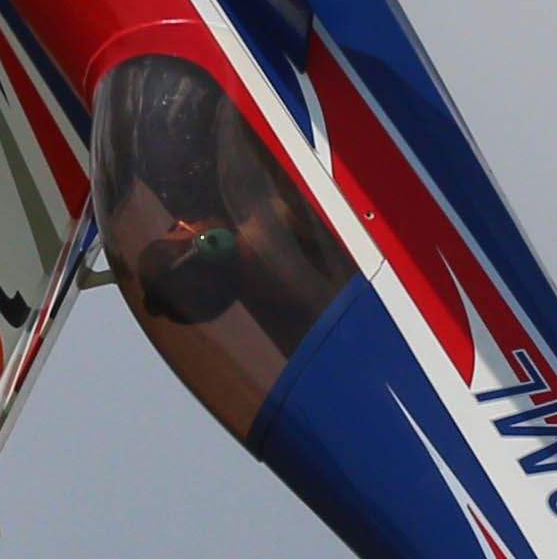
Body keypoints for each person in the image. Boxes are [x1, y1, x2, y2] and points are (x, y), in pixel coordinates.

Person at [88, 48, 357, 439]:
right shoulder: (267, 188)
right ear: (204, 243)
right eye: (176, 231)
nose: (180, 221)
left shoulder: (291, 283)